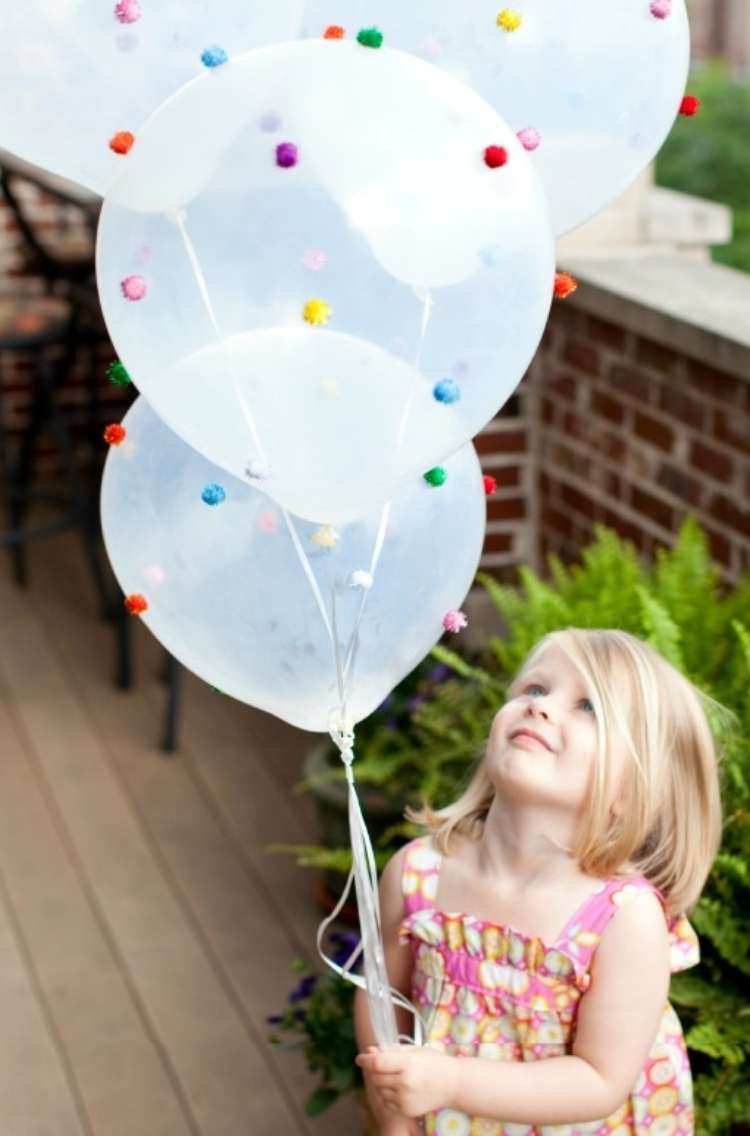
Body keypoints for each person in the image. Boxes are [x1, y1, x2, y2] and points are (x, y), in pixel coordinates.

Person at [354, 628, 723, 1136]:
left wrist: (453, 1080)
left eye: (588, 707)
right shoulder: (419, 875)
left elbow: (600, 1080)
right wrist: (397, 1122)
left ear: (627, 790)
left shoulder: (623, 919)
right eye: (534, 689)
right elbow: (379, 1000)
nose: (541, 707)